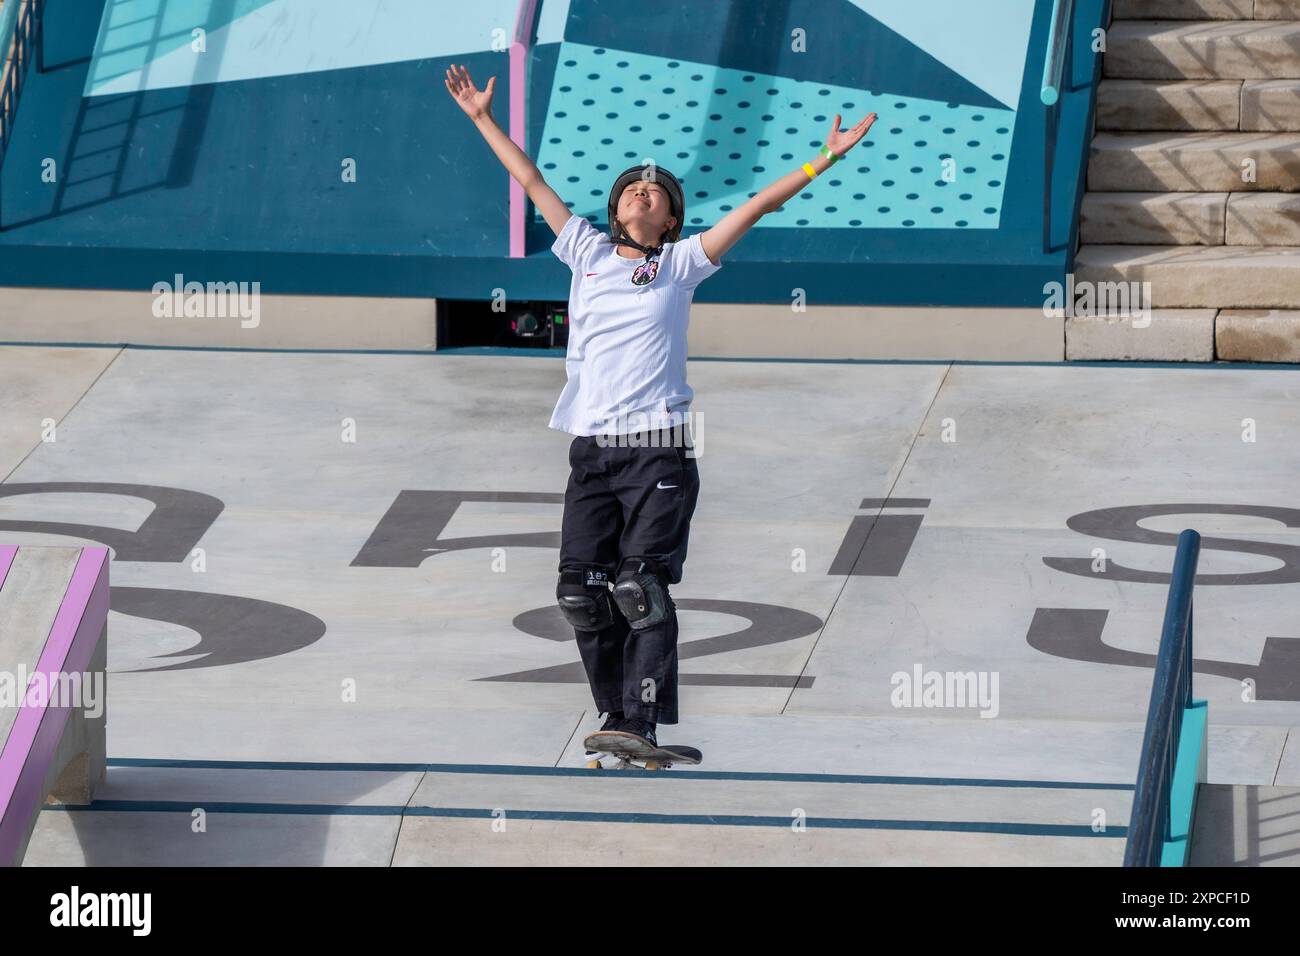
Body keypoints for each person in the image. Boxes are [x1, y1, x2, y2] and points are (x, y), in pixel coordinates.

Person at [445, 62, 875, 758]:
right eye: (632, 190)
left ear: (670, 219)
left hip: (657, 449)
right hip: (591, 451)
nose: (643, 193)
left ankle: (639, 722)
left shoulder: (679, 263)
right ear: (616, 210)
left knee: (637, 587)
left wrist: (825, 157)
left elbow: (757, 206)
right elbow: (531, 182)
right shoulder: (583, 249)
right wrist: (481, 118)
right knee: (581, 594)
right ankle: (616, 718)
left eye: (657, 193)